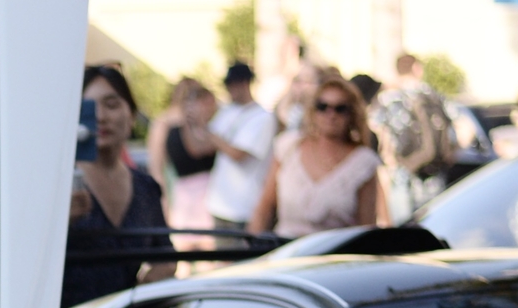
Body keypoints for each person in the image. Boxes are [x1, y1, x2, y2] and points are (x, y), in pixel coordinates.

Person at [64, 65, 175, 308]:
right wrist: (58, 224)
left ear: (132, 115)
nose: (100, 116)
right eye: (88, 107)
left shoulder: (145, 188)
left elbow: (165, 254)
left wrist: (161, 271)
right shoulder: (59, 185)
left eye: (111, 105)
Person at [254, 73, 388, 235]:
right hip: (286, 251)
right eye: (322, 106)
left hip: (333, 255)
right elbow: (264, 208)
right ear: (313, 110)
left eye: (340, 109)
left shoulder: (364, 162)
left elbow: (366, 228)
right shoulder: (289, 146)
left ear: (352, 114)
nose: (331, 115)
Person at [373, 53, 456, 221]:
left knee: (404, 233)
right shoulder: (433, 95)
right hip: (434, 170)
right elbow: (461, 127)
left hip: (401, 170)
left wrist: (388, 160)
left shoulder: (388, 98)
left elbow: (377, 129)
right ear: (417, 69)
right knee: (433, 226)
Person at [206, 62, 278, 233]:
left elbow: (239, 154)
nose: (228, 90)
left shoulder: (263, 118)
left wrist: (209, 133)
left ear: (244, 83)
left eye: (231, 85)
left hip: (243, 208)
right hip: (219, 205)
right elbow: (204, 146)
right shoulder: (227, 111)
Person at [149, 77, 219, 234]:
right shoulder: (166, 123)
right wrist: (163, 202)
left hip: (208, 195)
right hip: (184, 196)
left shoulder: (209, 121)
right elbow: (157, 167)